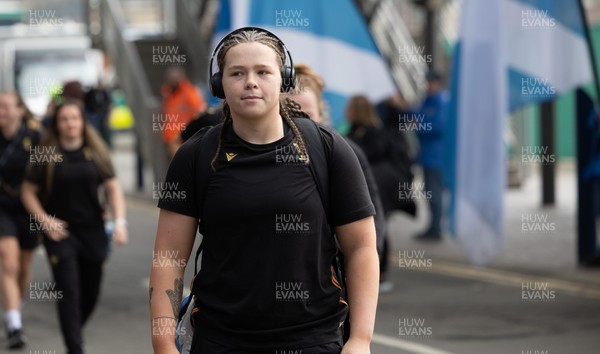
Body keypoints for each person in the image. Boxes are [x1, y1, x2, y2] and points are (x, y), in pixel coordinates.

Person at [150, 27, 379, 354]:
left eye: (263, 71)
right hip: (222, 340)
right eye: (237, 73)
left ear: (283, 80)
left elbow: (361, 247)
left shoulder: (327, 149)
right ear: (220, 84)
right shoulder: (196, 156)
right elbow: (168, 258)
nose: (250, 82)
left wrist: (360, 339)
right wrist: (163, 342)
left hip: (313, 339)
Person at [21, 100, 128, 354]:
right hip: (60, 233)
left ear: (83, 122)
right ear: (57, 124)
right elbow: (27, 191)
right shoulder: (46, 152)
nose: (70, 123)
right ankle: (75, 348)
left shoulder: (96, 151)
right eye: (64, 119)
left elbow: (113, 187)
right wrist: (45, 221)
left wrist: (120, 222)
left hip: (92, 231)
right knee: (68, 289)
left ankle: (74, 336)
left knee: (90, 291)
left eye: (75, 118)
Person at [288, 64, 391, 292]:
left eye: (306, 115)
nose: (298, 123)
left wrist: (356, 276)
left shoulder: (345, 151)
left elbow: (372, 225)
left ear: (321, 111)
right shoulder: (265, 154)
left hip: (330, 287)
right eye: (289, 113)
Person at [0, 91, 41, 349]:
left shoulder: (35, 138)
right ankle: (14, 324)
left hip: (28, 209)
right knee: (10, 263)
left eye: (5, 107)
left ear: (19, 110)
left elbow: (50, 175)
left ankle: (16, 302)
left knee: (25, 266)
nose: (1, 111)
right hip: (1, 208)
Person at [413, 71, 448, 241]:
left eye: (431, 83)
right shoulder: (426, 101)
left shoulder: (442, 102)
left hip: (437, 156)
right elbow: (414, 116)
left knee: (434, 192)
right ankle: (433, 225)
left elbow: (439, 127)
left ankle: (436, 228)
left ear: (438, 83)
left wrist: (419, 125)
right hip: (426, 154)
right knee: (429, 191)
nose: (428, 86)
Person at [161, 67, 206, 157]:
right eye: (170, 79)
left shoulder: (189, 92)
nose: (172, 81)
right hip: (170, 138)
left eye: (174, 79)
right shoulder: (167, 92)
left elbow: (200, 111)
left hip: (182, 138)